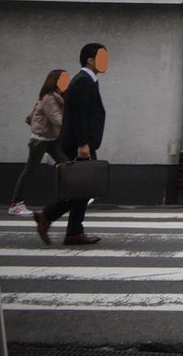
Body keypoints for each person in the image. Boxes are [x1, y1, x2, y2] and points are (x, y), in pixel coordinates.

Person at [34, 43, 108, 247]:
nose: (106, 62)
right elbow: (80, 115)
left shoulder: (88, 80)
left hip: (80, 142)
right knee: (83, 187)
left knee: (84, 188)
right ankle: (50, 218)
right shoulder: (83, 81)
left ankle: (72, 230)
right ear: (90, 60)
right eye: (102, 57)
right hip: (79, 144)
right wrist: (83, 144)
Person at [8, 69, 70, 217]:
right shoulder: (49, 98)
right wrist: (74, 128)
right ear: (55, 82)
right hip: (40, 140)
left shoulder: (58, 97)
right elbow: (57, 120)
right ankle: (15, 204)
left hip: (51, 139)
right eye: (64, 80)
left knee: (66, 165)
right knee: (29, 171)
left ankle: (76, 197)